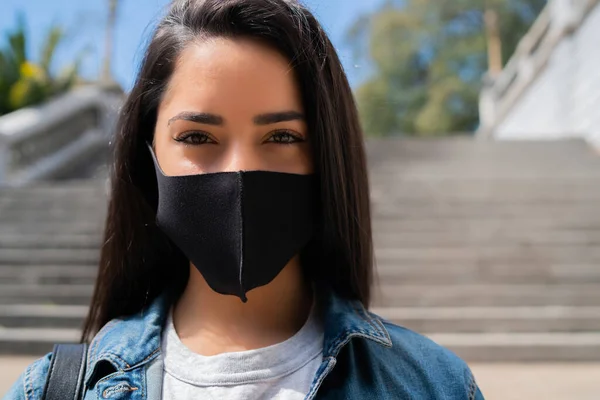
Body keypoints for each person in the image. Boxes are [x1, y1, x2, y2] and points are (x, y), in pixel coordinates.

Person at [5, 0, 484, 399]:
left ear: (327, 154)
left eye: (281, 135)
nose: (238, 172)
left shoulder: (434, 385)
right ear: (147, 157)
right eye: (196, 136)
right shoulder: (51, 388)